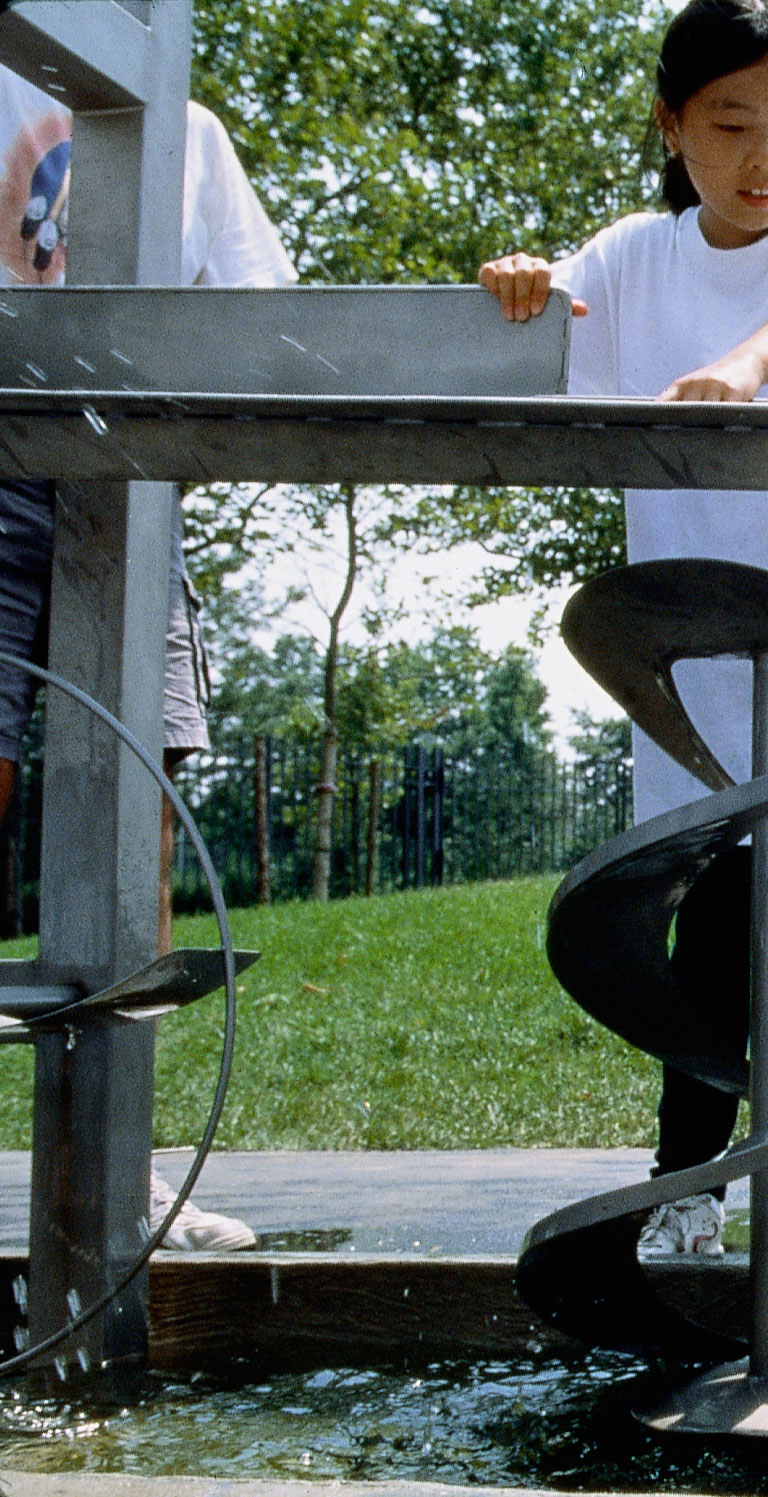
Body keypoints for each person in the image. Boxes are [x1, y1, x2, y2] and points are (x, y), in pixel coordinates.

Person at [479, 0, 768, 1262]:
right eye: (731, 124)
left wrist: (745, 367)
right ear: (673, 126)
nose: (765, 156)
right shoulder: (629, 258)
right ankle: (687, 1176)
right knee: (707, 925)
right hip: (684, 665)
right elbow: (545, 316)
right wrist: (518, 283)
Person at [0, 66, 296, 1252]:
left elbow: (260, 312)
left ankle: (115, 1180)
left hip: (128, 489)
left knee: (140, 795)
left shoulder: (187, 129)